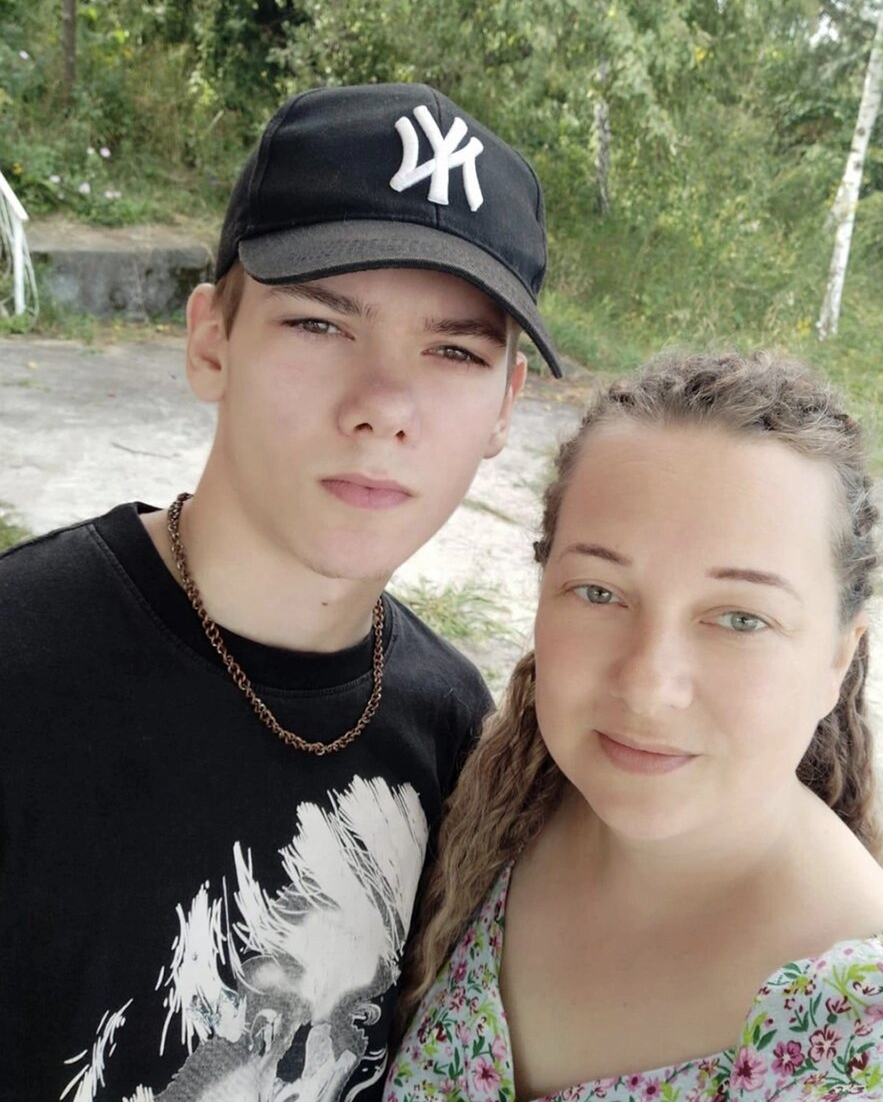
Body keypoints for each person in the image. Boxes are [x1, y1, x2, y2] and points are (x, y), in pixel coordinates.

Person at [0, 83, 562, 1102]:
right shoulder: (20, 670)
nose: (384, 406)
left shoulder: (450, 726)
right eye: (319, 324)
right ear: (211, 340)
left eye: (453, 350)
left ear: (504, 409)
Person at [387, 351, 883, 1102]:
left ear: (838, 659)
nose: (648, 686)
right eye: (598, 592)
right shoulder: (494, 808)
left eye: (741, 618)